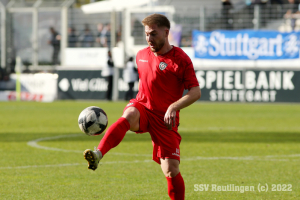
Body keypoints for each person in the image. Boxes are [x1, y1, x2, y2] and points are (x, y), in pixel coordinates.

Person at [83, 14, 201, 200]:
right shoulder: (141, 55)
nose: (149, 39)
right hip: (143, 108)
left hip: (165, 119)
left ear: (166, 32)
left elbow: (195, 91)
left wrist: (173, 107)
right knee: (129, 114)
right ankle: (98, 153)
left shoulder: (181, 59)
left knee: (170, 170)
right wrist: (141, 102)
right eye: (147, 34)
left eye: (153, 34)